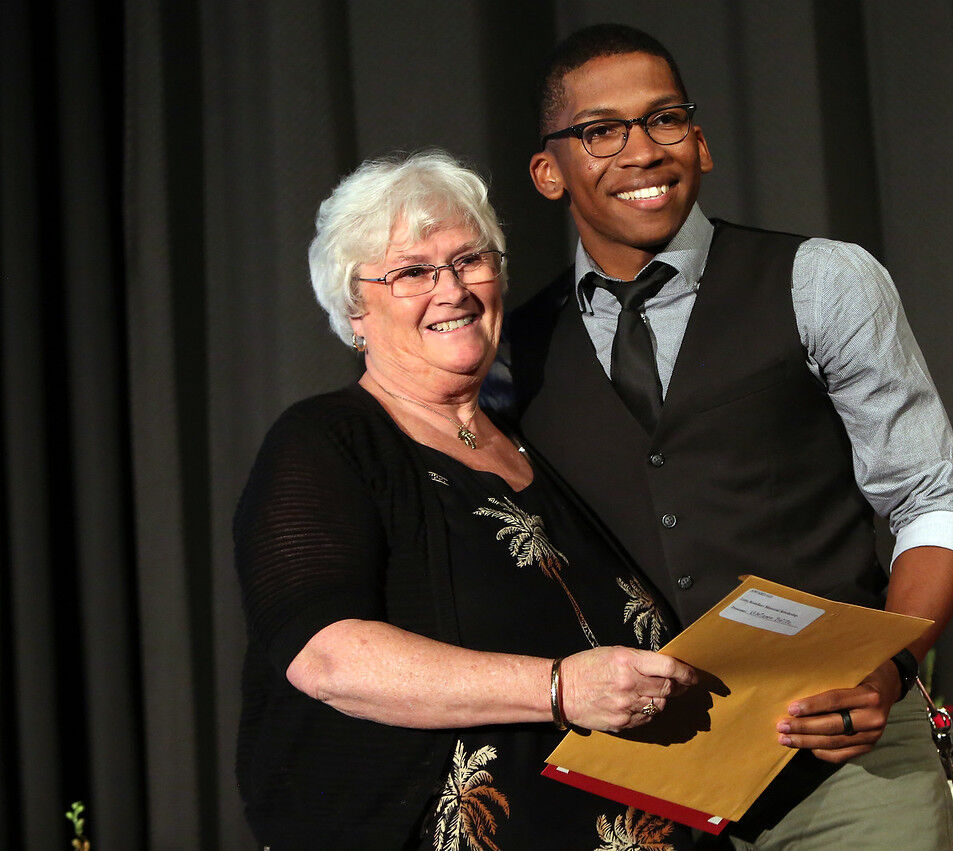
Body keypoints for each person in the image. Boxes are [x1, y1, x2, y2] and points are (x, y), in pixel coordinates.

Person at [504, 24, 953, 850]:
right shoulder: (517, 351)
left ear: (699, 142)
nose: (641, 151)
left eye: (663, 119)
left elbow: (933, 499)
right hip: (647, 783)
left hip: (845, 757)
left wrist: (890, 667)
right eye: (601, 130)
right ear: (549, 171)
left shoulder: (821, 280)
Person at [234, 149, 701, 850]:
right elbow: (326, 656)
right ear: (355, 309)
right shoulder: (327, 441)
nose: (451, 290)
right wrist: (558, 688)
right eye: (412, 272)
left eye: (469, 261)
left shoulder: (535, 443)